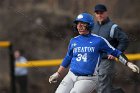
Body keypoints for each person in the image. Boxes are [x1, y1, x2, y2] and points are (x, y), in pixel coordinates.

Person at [49, 13, 139, 93]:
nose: (79, 26)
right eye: (77, 24)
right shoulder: (73, 40)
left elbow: (115, 52)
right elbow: (68, 57)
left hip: (88, 78)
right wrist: (58, 73)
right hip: (71, 75)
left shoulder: (99, 40)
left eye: (82, 24)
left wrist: (128, 63)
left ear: (89, 25)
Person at [92, 4, 129, 93]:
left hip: (107, 61)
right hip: (95, 61)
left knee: (102, 88)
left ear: (106, 13)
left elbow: (124, 40)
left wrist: (115, 52)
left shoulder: (113, 27)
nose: (99, 15)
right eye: (97, 13)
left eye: (101, 12)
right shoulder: (93, 27)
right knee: (97, 86)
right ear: (95, 14)